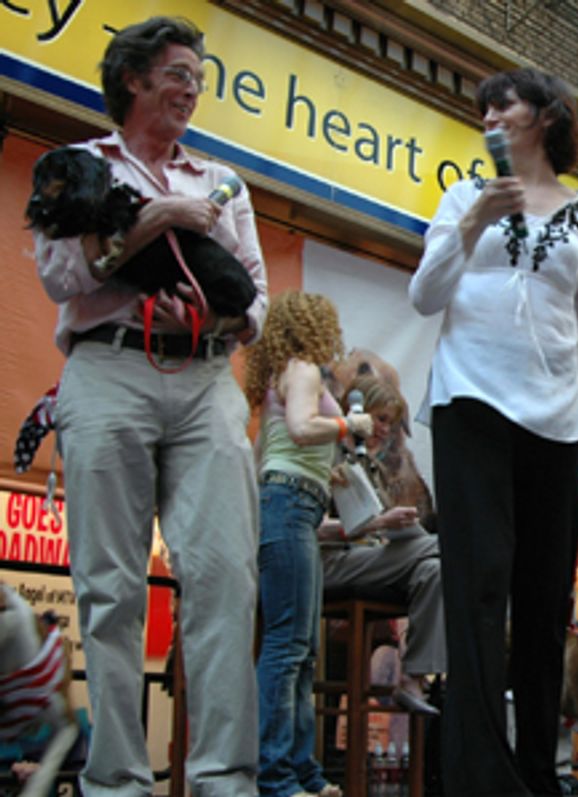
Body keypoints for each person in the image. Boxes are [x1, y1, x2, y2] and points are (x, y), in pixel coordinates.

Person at [33, 16, 268, 795]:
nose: (191, 89)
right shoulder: (75, 166)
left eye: (198, 78)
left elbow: (257, 303)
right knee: (109, 585)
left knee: (226, 577)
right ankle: (117, 781)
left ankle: (224, 777)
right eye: (177, 73)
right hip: (106, 370)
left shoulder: (223, 181)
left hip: (205, 380)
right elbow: (64, 276)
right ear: (132, 79)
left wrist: (209, 320)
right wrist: (158, 220)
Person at [409, 67, 578, 797]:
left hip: (557, 418)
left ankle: (538, 770)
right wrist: (472, 222)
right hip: (470, 404)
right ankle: (476, 776)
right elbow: (423, 294)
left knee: (543, 595)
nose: (490, 113)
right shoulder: (464, 195)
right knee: (477, 585)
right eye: (482, 104)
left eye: (505, 102)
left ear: (548, 115)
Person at [244, 292, 370, 797]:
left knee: (301, 648)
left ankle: (301, 771)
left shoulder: (281, 374)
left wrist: (324, 473)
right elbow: (301, 428)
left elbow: (267, 454)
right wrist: (348, 425)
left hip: (289, 503)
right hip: (291, 503)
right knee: (288, 645)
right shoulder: (303, 370)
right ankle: (277, 775)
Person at [319, 373, 446, 715]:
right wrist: (378, 523)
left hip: (368, 560)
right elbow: (307, 527)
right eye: (380, 419)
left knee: (435, 570)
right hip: (329, 564)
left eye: (390, 423)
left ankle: (414, 677)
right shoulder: (325, 453)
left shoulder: (371, 466)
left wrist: (395, 527)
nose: (385, 430)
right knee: (448, 553)